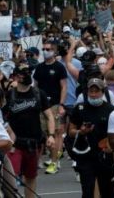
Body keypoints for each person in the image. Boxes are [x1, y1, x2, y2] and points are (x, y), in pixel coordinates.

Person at [6, 65, 56, 198]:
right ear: (16, 76)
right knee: (11, 177)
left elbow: (49, 115)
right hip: (14, 144)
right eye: (24, 73)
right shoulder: (9, 95)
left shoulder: (39, 93)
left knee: (31, 177)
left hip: (33, 143)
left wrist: (51, 135)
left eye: (29, 72)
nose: (27, 75)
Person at [67, 78, 114, 198]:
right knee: (87, 191)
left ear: (103, 92)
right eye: (91, 91)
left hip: (104, 156)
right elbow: (70, 132)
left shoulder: (111, 110)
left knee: (107, 192)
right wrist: (81, 132)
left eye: (96, 91)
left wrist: (111, 147)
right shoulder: (79, 108)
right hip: (86, 156)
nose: (93, 94)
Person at [32, 39, 67, 174]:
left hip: (54, 104)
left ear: (54, 51)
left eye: (48, 49)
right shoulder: (39, 68)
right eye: (44, 49)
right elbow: (35, 86)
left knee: (55, 133)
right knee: (44, 133)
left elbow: (64, 86)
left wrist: (62, 105)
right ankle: (47, 158)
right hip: (41, 105)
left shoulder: (59, 67)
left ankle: (54, 162)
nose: (45, 51)